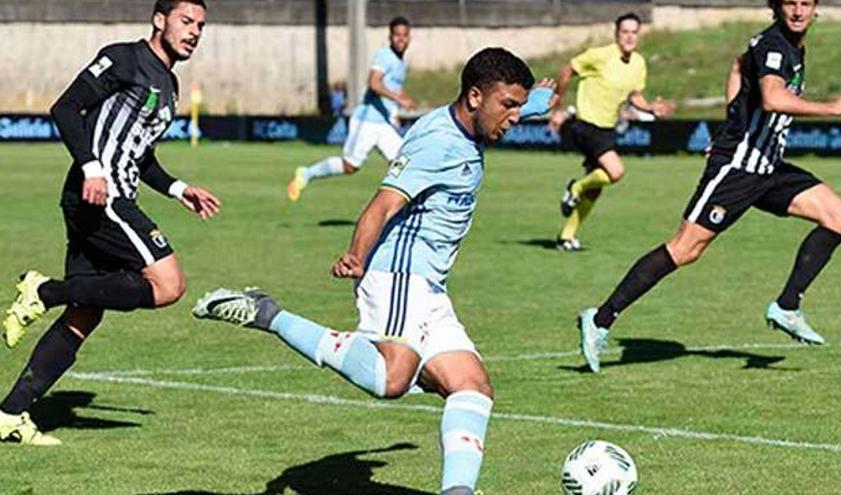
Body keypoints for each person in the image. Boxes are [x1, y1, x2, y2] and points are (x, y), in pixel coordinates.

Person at [194, 48, 556, 495]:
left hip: (430, 286)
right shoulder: (436, 141)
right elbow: (383, 202)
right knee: (391, 380)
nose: (515, 117)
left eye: (519, 107)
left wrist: (532, 103)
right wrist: (356, 256)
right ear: (476, 97)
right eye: (509, 105)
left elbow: (509, 111)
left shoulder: (474, 124)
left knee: (473, 387)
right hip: (397, 275)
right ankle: (267, 313)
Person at [576, 0, 841, 373]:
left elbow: (736, 66)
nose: (798, 11)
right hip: (737, 169)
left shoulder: (789, 45)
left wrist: (731, 119)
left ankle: (787, 305)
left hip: (769, 165)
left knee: (838, 215)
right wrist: (832, 108)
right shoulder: (774, 44)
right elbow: (773, 97)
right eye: (790, 3)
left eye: (805, 3)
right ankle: (599, 319)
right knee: (685, 249)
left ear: (815, 8)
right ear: (777, 7)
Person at [0, 0, 220, 445]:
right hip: (103, 197)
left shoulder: (170, 83)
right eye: (185, 21)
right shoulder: (124, 58)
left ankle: (9, 415)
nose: (194, 31)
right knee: (168, 285)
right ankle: (44, 290)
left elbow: (142, 155)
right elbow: (65, 108)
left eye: (200, 25)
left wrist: (179, 189)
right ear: (160, 19)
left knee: (83, 316)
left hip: (104, 195)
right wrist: (91, 167)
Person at [548, 12, 676, 251]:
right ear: (617, 34)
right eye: (624, 31)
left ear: (639, 35)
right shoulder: (599, 56)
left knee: (595, 189)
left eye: (634, 32)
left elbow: (634, 96)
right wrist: (558, 108)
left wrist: (651, 108)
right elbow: (567, 71)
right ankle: (575, 187)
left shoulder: (638, 63)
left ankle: (566, 236)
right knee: (616, 172)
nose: (629, 36)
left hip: (607, 128)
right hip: (586, 125)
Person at [287, 16, 416, 202]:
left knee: (402, 162)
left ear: (409, 37)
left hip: (384, 123)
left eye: (404, 35)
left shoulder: (401, 62)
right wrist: (400, 100)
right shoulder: (384, 56)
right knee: (350, 166)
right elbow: (373, 83)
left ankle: (400, 208)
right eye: (397, 35)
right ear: (390, 37)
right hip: (367, 121)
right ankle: (306, 174)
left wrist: (394, 112)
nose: (401, 39)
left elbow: (394, 86)